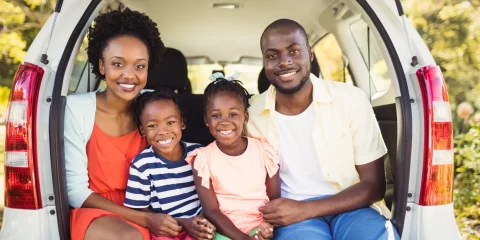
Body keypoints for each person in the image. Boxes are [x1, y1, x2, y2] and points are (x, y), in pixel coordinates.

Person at [247, 19, 400, 240]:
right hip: (292, 219)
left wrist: (306, 209)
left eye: (294, 51)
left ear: (309, 54)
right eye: (272, 56)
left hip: (353, 207)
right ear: (264, 61)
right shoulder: (251, 115)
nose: (284, 62)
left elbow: (374, 186)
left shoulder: (351, 100)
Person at [65, 8, 167, 240]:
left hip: (149, 208)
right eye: (118, 64)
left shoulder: (155, 108)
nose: (129, 75)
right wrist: (146, 219)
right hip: (97, 211)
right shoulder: (76, 110)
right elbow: (75, 191)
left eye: (139, 66)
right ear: (102, 66)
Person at [186, 73, 280, 240]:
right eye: (216, 115)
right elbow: (211, 211)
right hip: (222, 230)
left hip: (259, 228)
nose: (224, 121)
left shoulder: (263, 151)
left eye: (233, 114)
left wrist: (267, 226)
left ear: (245, 117)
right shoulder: (203, 159)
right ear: (206, 120)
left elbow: (274, 199)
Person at [124, 88, 216, 240]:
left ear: (182, 123)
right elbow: (139, 210)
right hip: (168, 231)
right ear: (142, 130)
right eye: (153, 125)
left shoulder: (199, 153)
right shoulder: (142, 165)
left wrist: (203, 219)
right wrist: (181, 223)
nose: (163, 131)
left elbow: (216, 193)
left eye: (170, 122)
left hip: (205, 224)